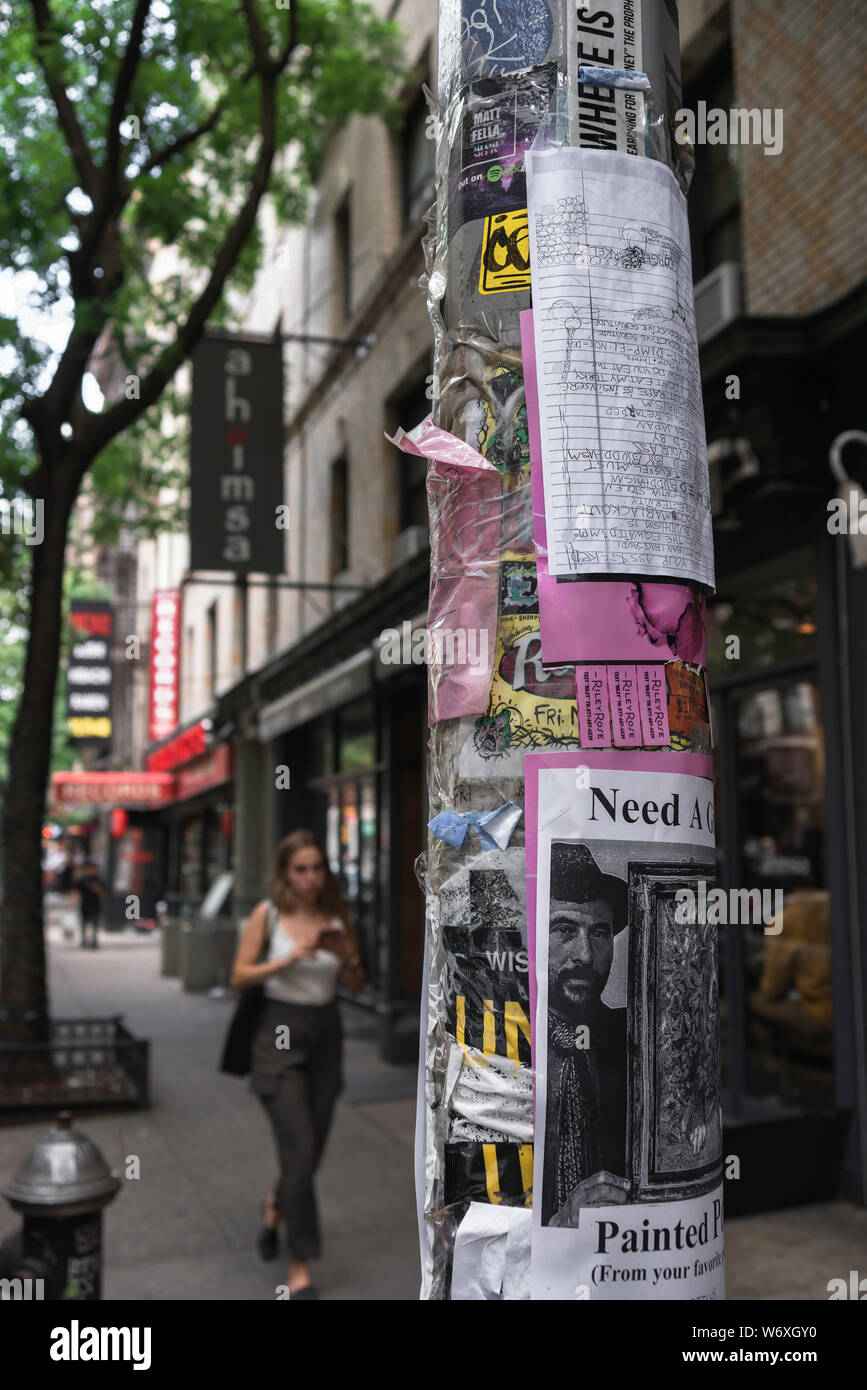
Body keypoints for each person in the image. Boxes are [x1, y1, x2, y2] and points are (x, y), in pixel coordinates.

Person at [230, 830, 364, 1300]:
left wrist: (344, 957)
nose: (310, 877)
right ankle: (300, 1263)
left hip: (326, 1033)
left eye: (317, 868)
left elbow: (358, 984)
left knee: (308, 1151)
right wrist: (287, 959)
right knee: (301, 1149)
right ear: (286, 873)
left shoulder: (336, 917)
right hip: (278, 1034)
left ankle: (275, 1204)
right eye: (301, 868)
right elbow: (239, 975)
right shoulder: (267, 916)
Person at [542, 842, 628, 1227]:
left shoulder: (633, 1042)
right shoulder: (502, 1040)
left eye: (599, 934)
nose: (586, 955)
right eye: (564, 930)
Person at [76, 860, 105, 950]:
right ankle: (84, 940)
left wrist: (96, 888)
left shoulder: (99, 879)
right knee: (84, 923)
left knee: (95, 923)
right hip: (85, 903)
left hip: (95, 904)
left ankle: (94, 941)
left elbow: (103, 892)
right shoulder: (83, 879)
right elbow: (77, 891)